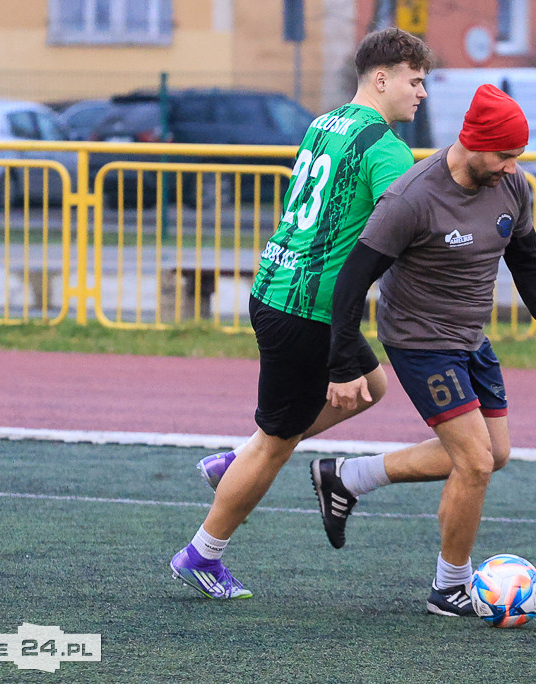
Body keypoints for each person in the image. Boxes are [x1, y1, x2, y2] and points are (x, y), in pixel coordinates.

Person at [169, 27, 435, 600]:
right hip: (308, 308)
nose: (422, 94)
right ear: (382, 78)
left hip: (277, 285)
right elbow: (402, 232)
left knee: (370, 387)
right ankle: (202, 553)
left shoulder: (326, 121)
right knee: (277, 440)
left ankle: (234, 459)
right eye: (415, 81)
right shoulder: (385, 149)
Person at [316, 83, 536, 616]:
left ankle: (348, 476)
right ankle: (450, 587)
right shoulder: (411, 198)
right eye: (505, 154)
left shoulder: (513, 188)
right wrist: (341, 361)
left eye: (519, 156)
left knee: (497, 454)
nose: (513, 167)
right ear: (473, 142)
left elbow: (528, 262)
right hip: (419, 342)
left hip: (471, 338)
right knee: (474, 462)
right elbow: (352, 281)